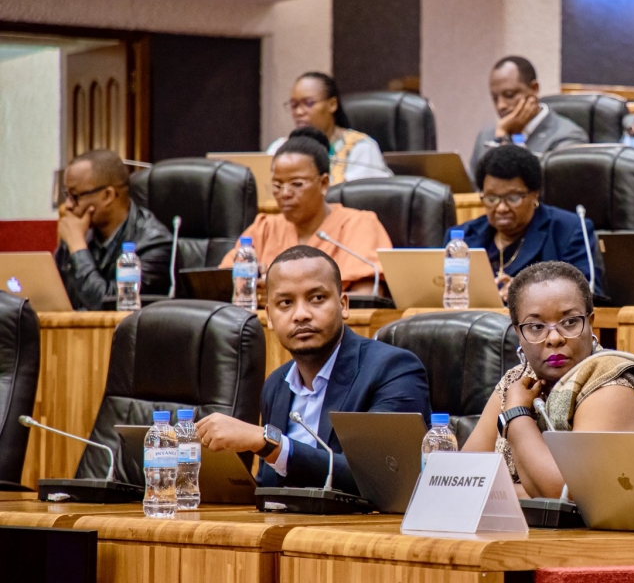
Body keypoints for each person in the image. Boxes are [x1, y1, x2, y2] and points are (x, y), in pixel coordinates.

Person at [197, 246, 431, 493]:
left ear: (343, 305)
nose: (301, 314)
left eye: (317, 298)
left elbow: (383, 477)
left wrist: (268, 444)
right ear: (270, 316)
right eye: (286, 303)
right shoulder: (276, 385)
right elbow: (271, 487)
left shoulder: (393, 370)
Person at [463, 262, 634, 498]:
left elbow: (566, 493)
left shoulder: (614, 385)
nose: (554, 338)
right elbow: (463, 479)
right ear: (518, 333)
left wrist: (516, 415)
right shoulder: (516, 381)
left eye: (570, 322)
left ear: (590, 322)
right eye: (536, 327)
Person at [222, 132, 392, 295]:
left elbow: (365, 298)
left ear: (324, 183)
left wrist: (284, 297)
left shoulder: (359, 225)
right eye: (277, 185)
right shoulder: (265, 228)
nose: (285, 193)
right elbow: (220, 283)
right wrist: (248, 282)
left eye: (296, 184)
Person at [447, 145, 605, 303]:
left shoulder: (569, 231)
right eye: (492, 198)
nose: (501, 208)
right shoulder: (462, 237)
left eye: (513, 198)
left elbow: (588, 295)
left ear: (534, 194)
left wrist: (526, 293)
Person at [54, 149, 172, 310]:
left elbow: (111, 306)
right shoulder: (79, 232)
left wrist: (78, 249)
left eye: (75, 196)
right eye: (66, 195)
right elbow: (55, 302)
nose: (68, 205)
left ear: (108, 195)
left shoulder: (153, 243)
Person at [468, 56, 588, 181]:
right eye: (495, 98)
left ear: (534, 89)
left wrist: (503, 139)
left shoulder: (567, 137)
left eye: (509, 95)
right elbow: (472, 190)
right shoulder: (486, 135)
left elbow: (535, 188)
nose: (501, 105)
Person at [267, 71, 388, 184]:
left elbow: (365, 197)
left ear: (332, 104)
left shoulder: (360, 148)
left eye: (309, 103)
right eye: (294, 105)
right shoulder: (279, 148)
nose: (298, 112)